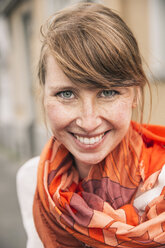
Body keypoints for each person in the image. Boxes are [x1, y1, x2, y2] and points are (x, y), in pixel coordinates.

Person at [17, 2, 165, 248]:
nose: (88, 121)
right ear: (43, 95)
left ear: (136, 94)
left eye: (107, 92)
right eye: (66, 94)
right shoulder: (33, 179)